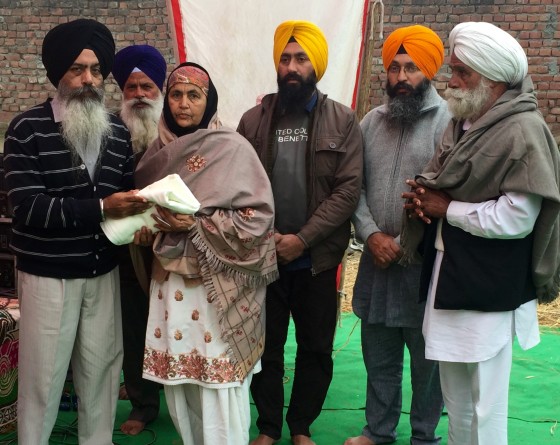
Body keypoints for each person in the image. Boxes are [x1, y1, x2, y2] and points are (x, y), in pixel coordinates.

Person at [401, 22, 560, 445]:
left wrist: (445, 207)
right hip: (449, 278)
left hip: (489, 287)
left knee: (487, 406)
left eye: (462, 73)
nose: (450, 82)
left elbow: (516, 219)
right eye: (453, 70)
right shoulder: (465, 123)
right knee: (457, 402)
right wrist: (423, 199)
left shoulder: (522, 131)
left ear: (493, 79)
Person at [3, 19, 151, 445]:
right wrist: (103, 207)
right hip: (49, 278)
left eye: (96, 70)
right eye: (77, 69)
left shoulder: (117, 131)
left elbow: (127, 198)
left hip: (102, 273)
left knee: (103, 372)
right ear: (57, 75)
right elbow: (28, 207)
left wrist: (147, 219)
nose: (88, 79)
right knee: (42, 381)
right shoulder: (27, 129)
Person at [132, 62, 278, 445]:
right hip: (169, 288)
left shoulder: (232, 149)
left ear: (208, 101)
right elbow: (142, 214)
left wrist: (196, 224)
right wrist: (146, 229)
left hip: (217, 292)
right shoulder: (155, 154)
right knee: (180, 384)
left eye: (193, 96)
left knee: (220, 384)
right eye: (176, 95)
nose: (183, 104)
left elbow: (257, 217)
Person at [237, 20, 363, 445]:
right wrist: (267, 238)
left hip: (315, 260)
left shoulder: (343, 121)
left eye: (301, 59)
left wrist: (301, 239)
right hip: (264, 259)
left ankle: (301, 426)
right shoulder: (253, 120)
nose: (292, 67)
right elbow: (238, 186)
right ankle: (269, 426)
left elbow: (347, 191)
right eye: (286, 58)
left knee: (315, 350)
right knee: (264, 349)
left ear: (317, 66)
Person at [346, 25, 448, 445]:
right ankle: (378, 431)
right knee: (379, 355)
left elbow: (452, 193)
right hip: (376, 260)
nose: (401, 78)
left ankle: (424, 436)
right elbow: (354, 188)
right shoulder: (371, 122)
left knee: (428, 362)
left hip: (426, 266)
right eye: (394, 68)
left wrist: (409, 243)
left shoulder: (451, 123)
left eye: (411, 68)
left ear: (430, 71)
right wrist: (370, 235)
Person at [111, 44, 167, 435]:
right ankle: (143, 404)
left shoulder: (177, 128)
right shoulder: (110, 132)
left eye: (147, 86)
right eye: (131, 87)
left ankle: (183, 398)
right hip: (127, 249)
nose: (139, 95)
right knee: (134, 324)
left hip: (176, 248)